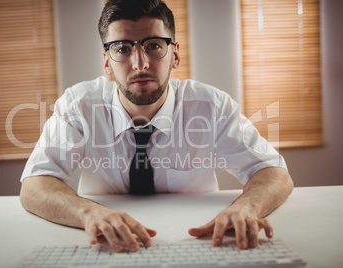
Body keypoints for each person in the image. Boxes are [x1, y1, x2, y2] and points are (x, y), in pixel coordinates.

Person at [19, 0, 293, 253]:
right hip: (105, 245)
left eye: (153, 45)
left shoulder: (211, 105)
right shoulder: (78, 105)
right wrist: (89, 213)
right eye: (123, 48)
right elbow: (35, 185)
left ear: (174, 54)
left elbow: (274, 172)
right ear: (106, 62)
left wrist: (247, 208)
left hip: (200, 242)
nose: (140, 64)